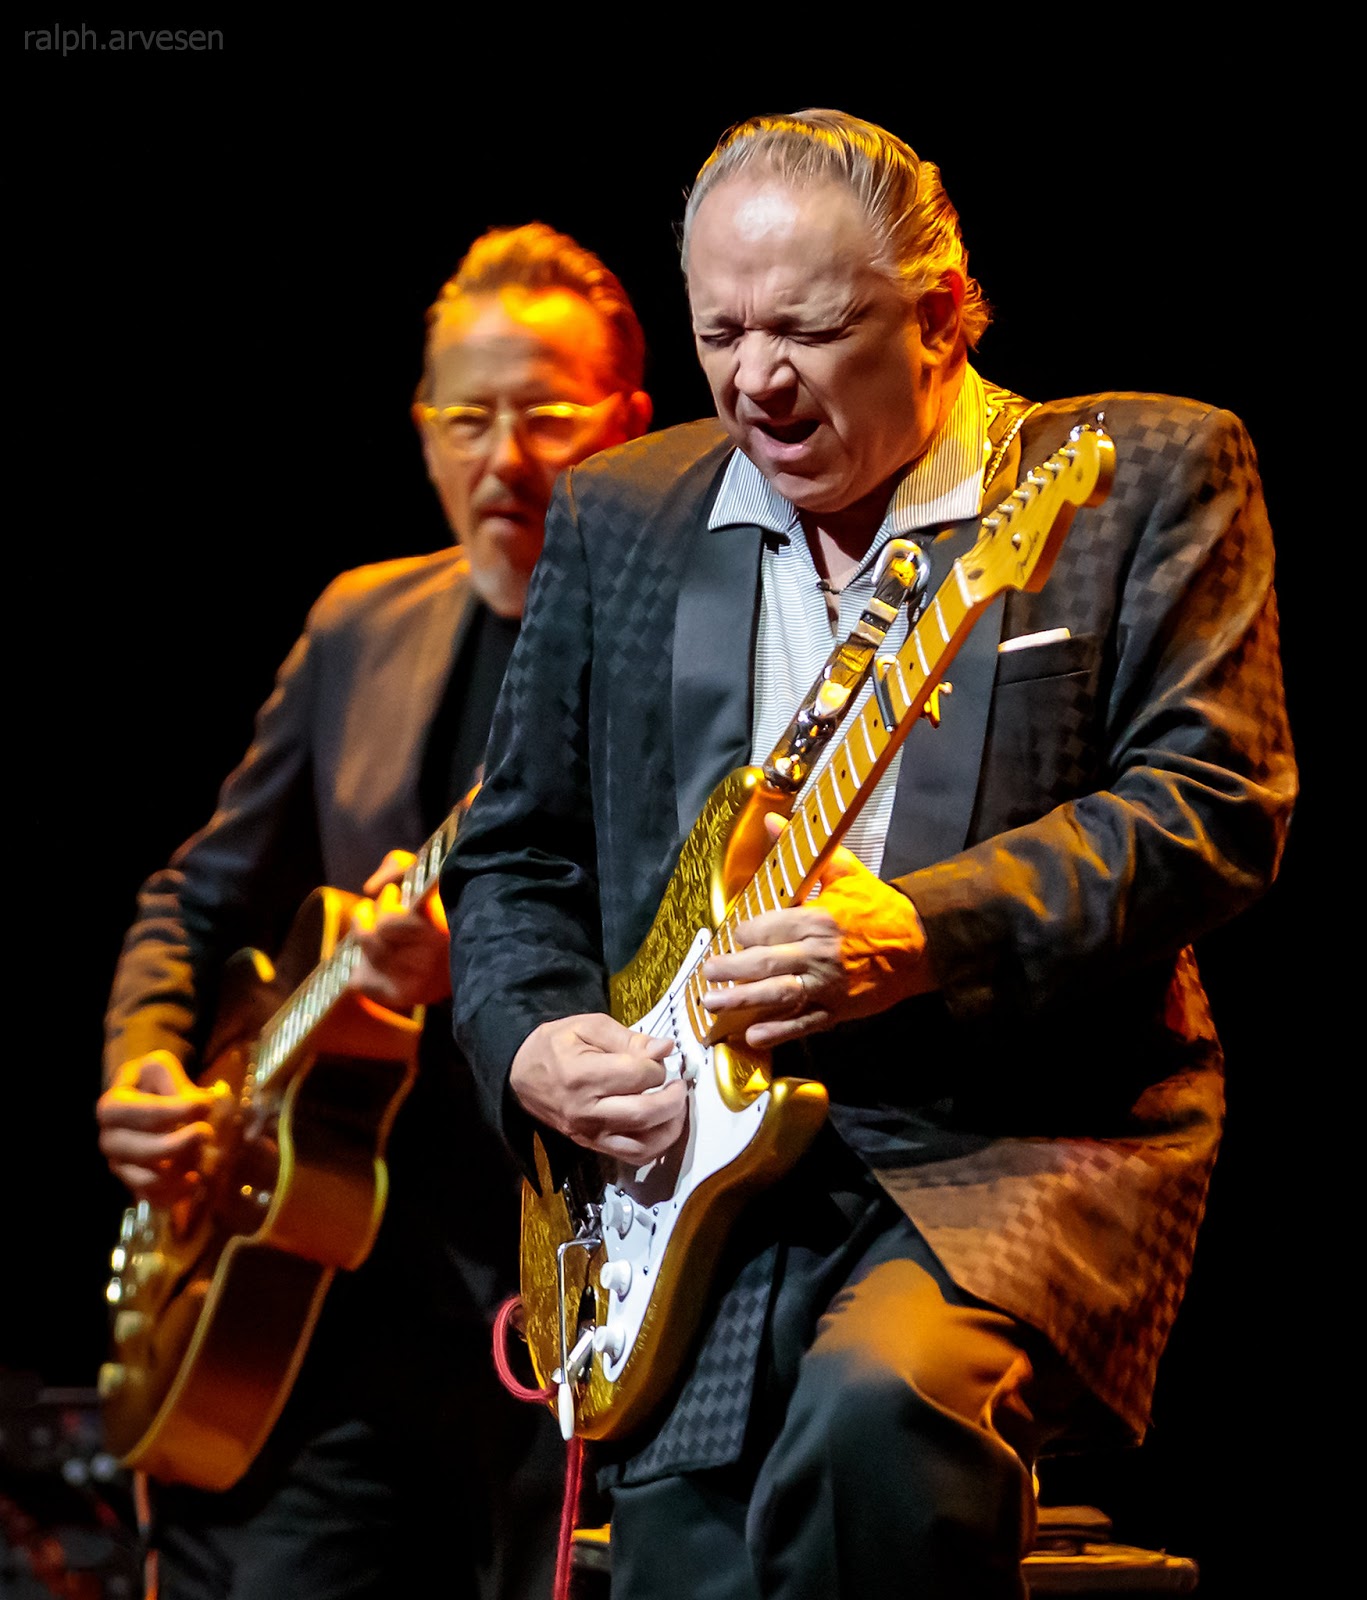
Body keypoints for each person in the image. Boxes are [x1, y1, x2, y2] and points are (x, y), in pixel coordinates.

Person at [442, 110, 1298, 1600]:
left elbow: (1217, 802)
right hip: (684, 1178)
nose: (754, 378)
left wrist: (922, 929)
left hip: (1013, 1140)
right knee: (690, 1547)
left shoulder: (1138, 472)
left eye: (811, 329)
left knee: (875, 1419)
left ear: (944, 315)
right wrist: (528, 1041)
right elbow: (516, 852)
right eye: (721, 330)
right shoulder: (627, 512)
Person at [96, 220, 653, 1600]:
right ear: (421, 428)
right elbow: (194, 892)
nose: (502, 459)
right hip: (326, 1316)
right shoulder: (362, 623)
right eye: (466, 418)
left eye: (544, 415)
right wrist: (144, 1065)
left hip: (571, 1304)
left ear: (634, 427)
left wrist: (492, 980)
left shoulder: (676, 652)